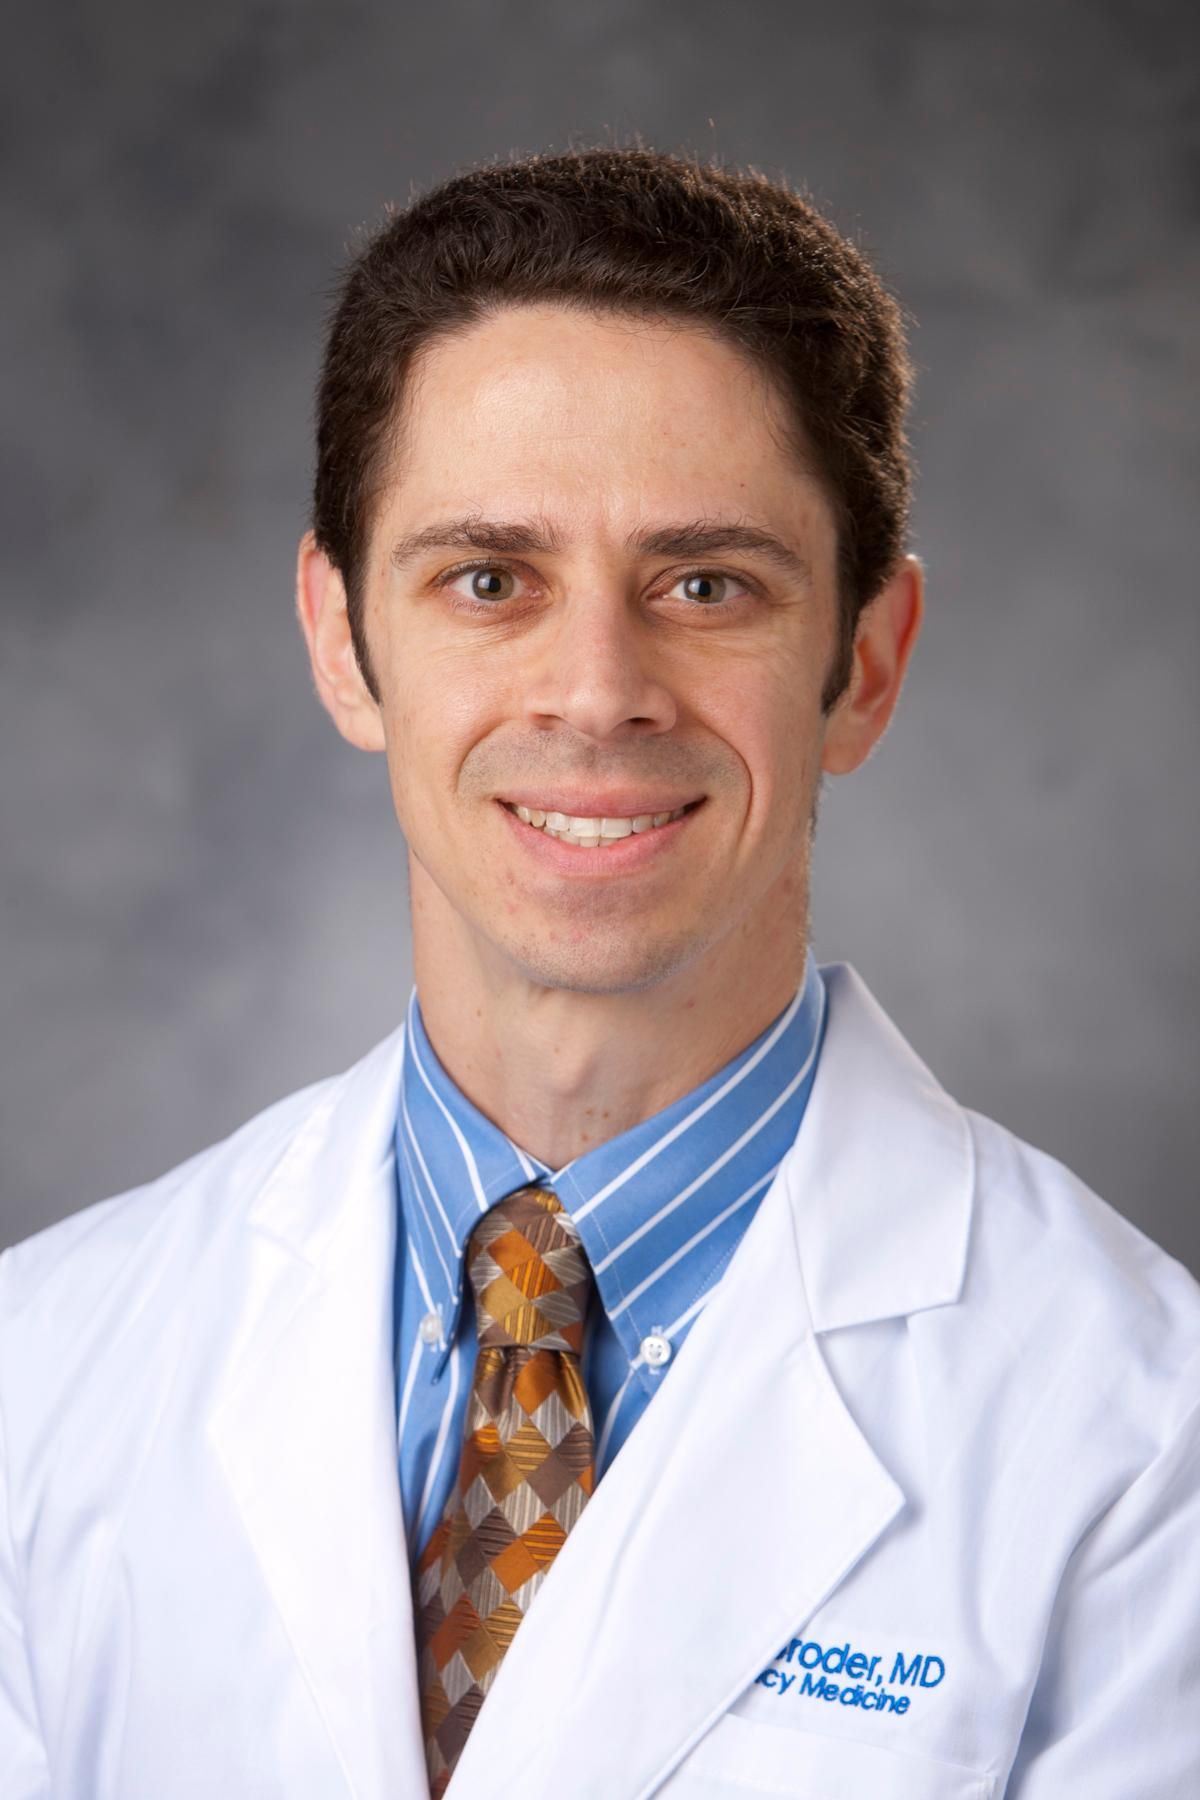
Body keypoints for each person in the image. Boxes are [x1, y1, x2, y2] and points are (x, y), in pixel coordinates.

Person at [1, 145, 1196, 1800]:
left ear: (864, 662)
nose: (596, 689)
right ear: (343, 641)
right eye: (489, 580)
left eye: (706, 585)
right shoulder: (44, 1364)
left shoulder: (1145, 1449)